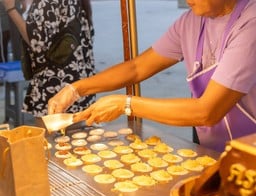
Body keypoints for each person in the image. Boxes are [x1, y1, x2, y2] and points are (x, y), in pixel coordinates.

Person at [48, 0, 256, 152]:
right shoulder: (191, 22)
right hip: (214, 152)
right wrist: (75, 89)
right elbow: (137, 68)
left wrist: (125, 104)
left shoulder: (250, 23)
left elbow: (207, 111)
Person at [2, 0, 96, 123]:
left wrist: (11, 10)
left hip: (55, 87)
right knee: (76, 138)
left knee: (50, 141)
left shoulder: (46, 2)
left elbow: (37, 44)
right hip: (79, 84)